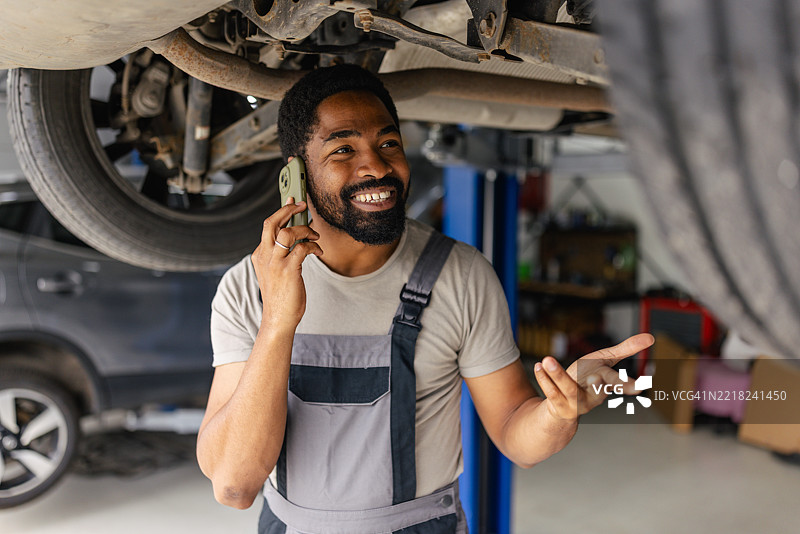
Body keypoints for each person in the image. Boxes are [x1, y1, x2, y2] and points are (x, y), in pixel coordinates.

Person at [197, 64, 653, 534]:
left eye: (389, 143)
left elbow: (516, 434)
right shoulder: (248, 288)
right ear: (294, 174)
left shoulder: (460, 276)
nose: (377, 167)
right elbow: (234, 487)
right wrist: (278, 321)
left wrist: (558, 413)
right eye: (343, 149)